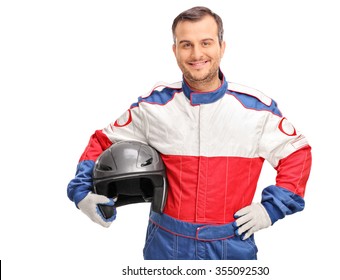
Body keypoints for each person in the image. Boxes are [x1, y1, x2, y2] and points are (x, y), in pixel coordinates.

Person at [67, 6, 312, 260]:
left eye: (206, 42)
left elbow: (298, 154)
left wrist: (271, 209)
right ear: (175, 51)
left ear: (222, 47)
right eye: (186, 45)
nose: (197, 54)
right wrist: (81, 192)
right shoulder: (153, 107)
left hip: (231, 245)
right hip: (165, 244)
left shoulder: (256, 111)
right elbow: (102, 141)